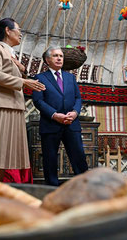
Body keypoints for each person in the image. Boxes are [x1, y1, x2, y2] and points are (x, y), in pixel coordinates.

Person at [0, 18, 45, 182]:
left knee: (4, 155)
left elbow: (11, 74)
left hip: (15, 105)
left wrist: (23, 71)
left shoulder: (12, 53)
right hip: (0, 104)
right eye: (18, 29)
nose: (21, 33)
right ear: (7, 31)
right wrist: (23, 81)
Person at [32, 46, 88, 186]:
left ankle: (85, 187)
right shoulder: (40, 78)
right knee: (50, 159)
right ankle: (51, 189)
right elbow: (38, 101)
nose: (59, 58)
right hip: (51, 124)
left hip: (71, 124)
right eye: (55, 55)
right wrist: (54, 115)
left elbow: (78, 98)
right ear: (47, 60)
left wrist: (75, 113)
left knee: (79, 157)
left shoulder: (70, 77)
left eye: (61, 56)